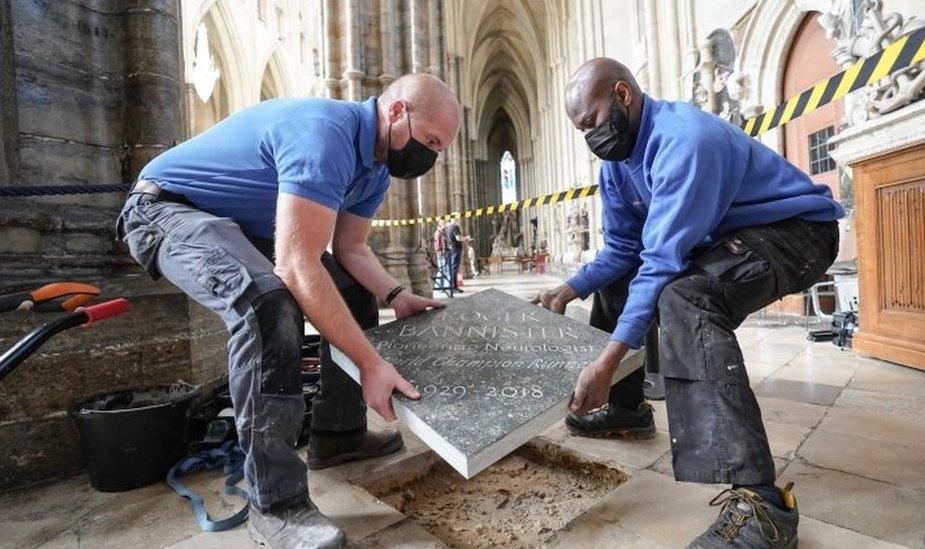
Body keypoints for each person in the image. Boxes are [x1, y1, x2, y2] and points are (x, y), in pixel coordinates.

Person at [116, 74, 461, 549]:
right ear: (398, 111)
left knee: (354, 291)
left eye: (440, 149)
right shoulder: (325, 133)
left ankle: (337, 435)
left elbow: (351, 249)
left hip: (244, 227)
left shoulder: (375, 167)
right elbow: (296, 264)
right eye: (431, 142)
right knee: (266, 306)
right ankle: (276, 504)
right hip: (168, 210)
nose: (431, 157)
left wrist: (395, 294)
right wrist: (370, 363)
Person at [534, 58, 842, 548]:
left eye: (591, 122)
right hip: (736, 236)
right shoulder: (616, 165)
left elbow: (661, 260)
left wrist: (608, 357)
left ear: (623, 95)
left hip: (797, 234)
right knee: (621, 278)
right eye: (580, 130)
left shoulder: (684, 140)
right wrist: (569, 288)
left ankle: (763, 507)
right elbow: (622, 250)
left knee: (686, 296)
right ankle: (626, 406)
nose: (590, 136)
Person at [445, 218, 464, 293]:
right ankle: (454, 287)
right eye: (456, 219)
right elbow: (458, 238)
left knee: (452, 268)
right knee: (454, 268)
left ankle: (452, 286)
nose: (458, 220)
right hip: (456, 249)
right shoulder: (455, 227)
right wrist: (466, 238)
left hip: (451, 249)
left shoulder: (448, 228)